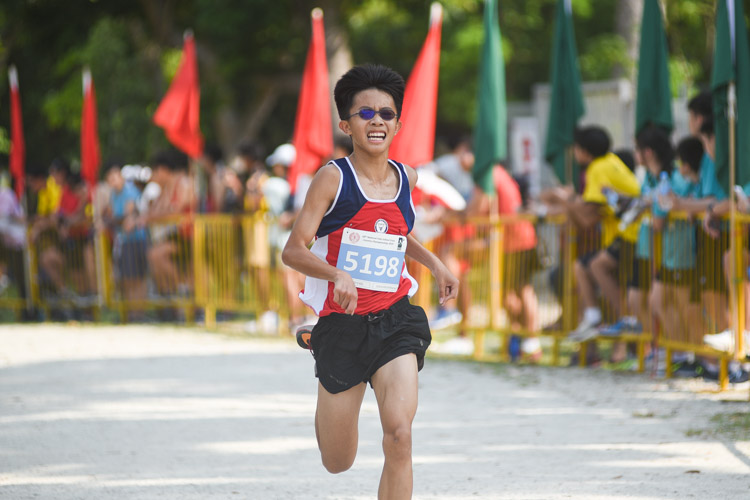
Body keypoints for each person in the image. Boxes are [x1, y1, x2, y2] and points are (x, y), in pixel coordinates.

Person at [282, 64, 458, 499]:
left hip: (395, 320)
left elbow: (396, 233)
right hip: (342, 325)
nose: (377, 120)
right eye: (365, 114)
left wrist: (435, 264)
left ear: (397, 123)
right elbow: (294, 250)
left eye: (386, 113)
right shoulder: (333, 179)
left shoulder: (407, 179)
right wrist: (335, 273)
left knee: (399, 435)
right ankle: (319, 345)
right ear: (347, 124)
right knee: (337, 461)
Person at [556, 126, 640, 342]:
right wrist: (574, 205)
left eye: (576, 148)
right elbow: (588, 214)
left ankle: (626, 318)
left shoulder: (598, 168)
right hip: (626, 232)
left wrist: (567, 201)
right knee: (581, 265)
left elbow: (587, 218)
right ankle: (592, 316)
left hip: (633, 232)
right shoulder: (609, 162)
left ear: (584, 151)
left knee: (597, 265)